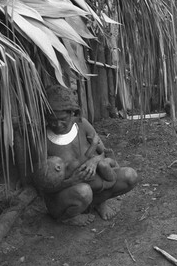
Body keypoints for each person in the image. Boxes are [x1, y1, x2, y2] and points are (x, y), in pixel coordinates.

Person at [34, 85, 139, 226]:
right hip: (64, 197)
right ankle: (66, 217)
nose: (57, 124)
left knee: (129, 176)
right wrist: (72, 181)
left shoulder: (82, 125)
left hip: (94, 185)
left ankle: (98, 203)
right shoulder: (42, 139)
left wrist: (95, 161)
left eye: (62, 119)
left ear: (72, 113)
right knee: (84, 191)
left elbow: (106, 153)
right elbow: (43, 186)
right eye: (51, 120)